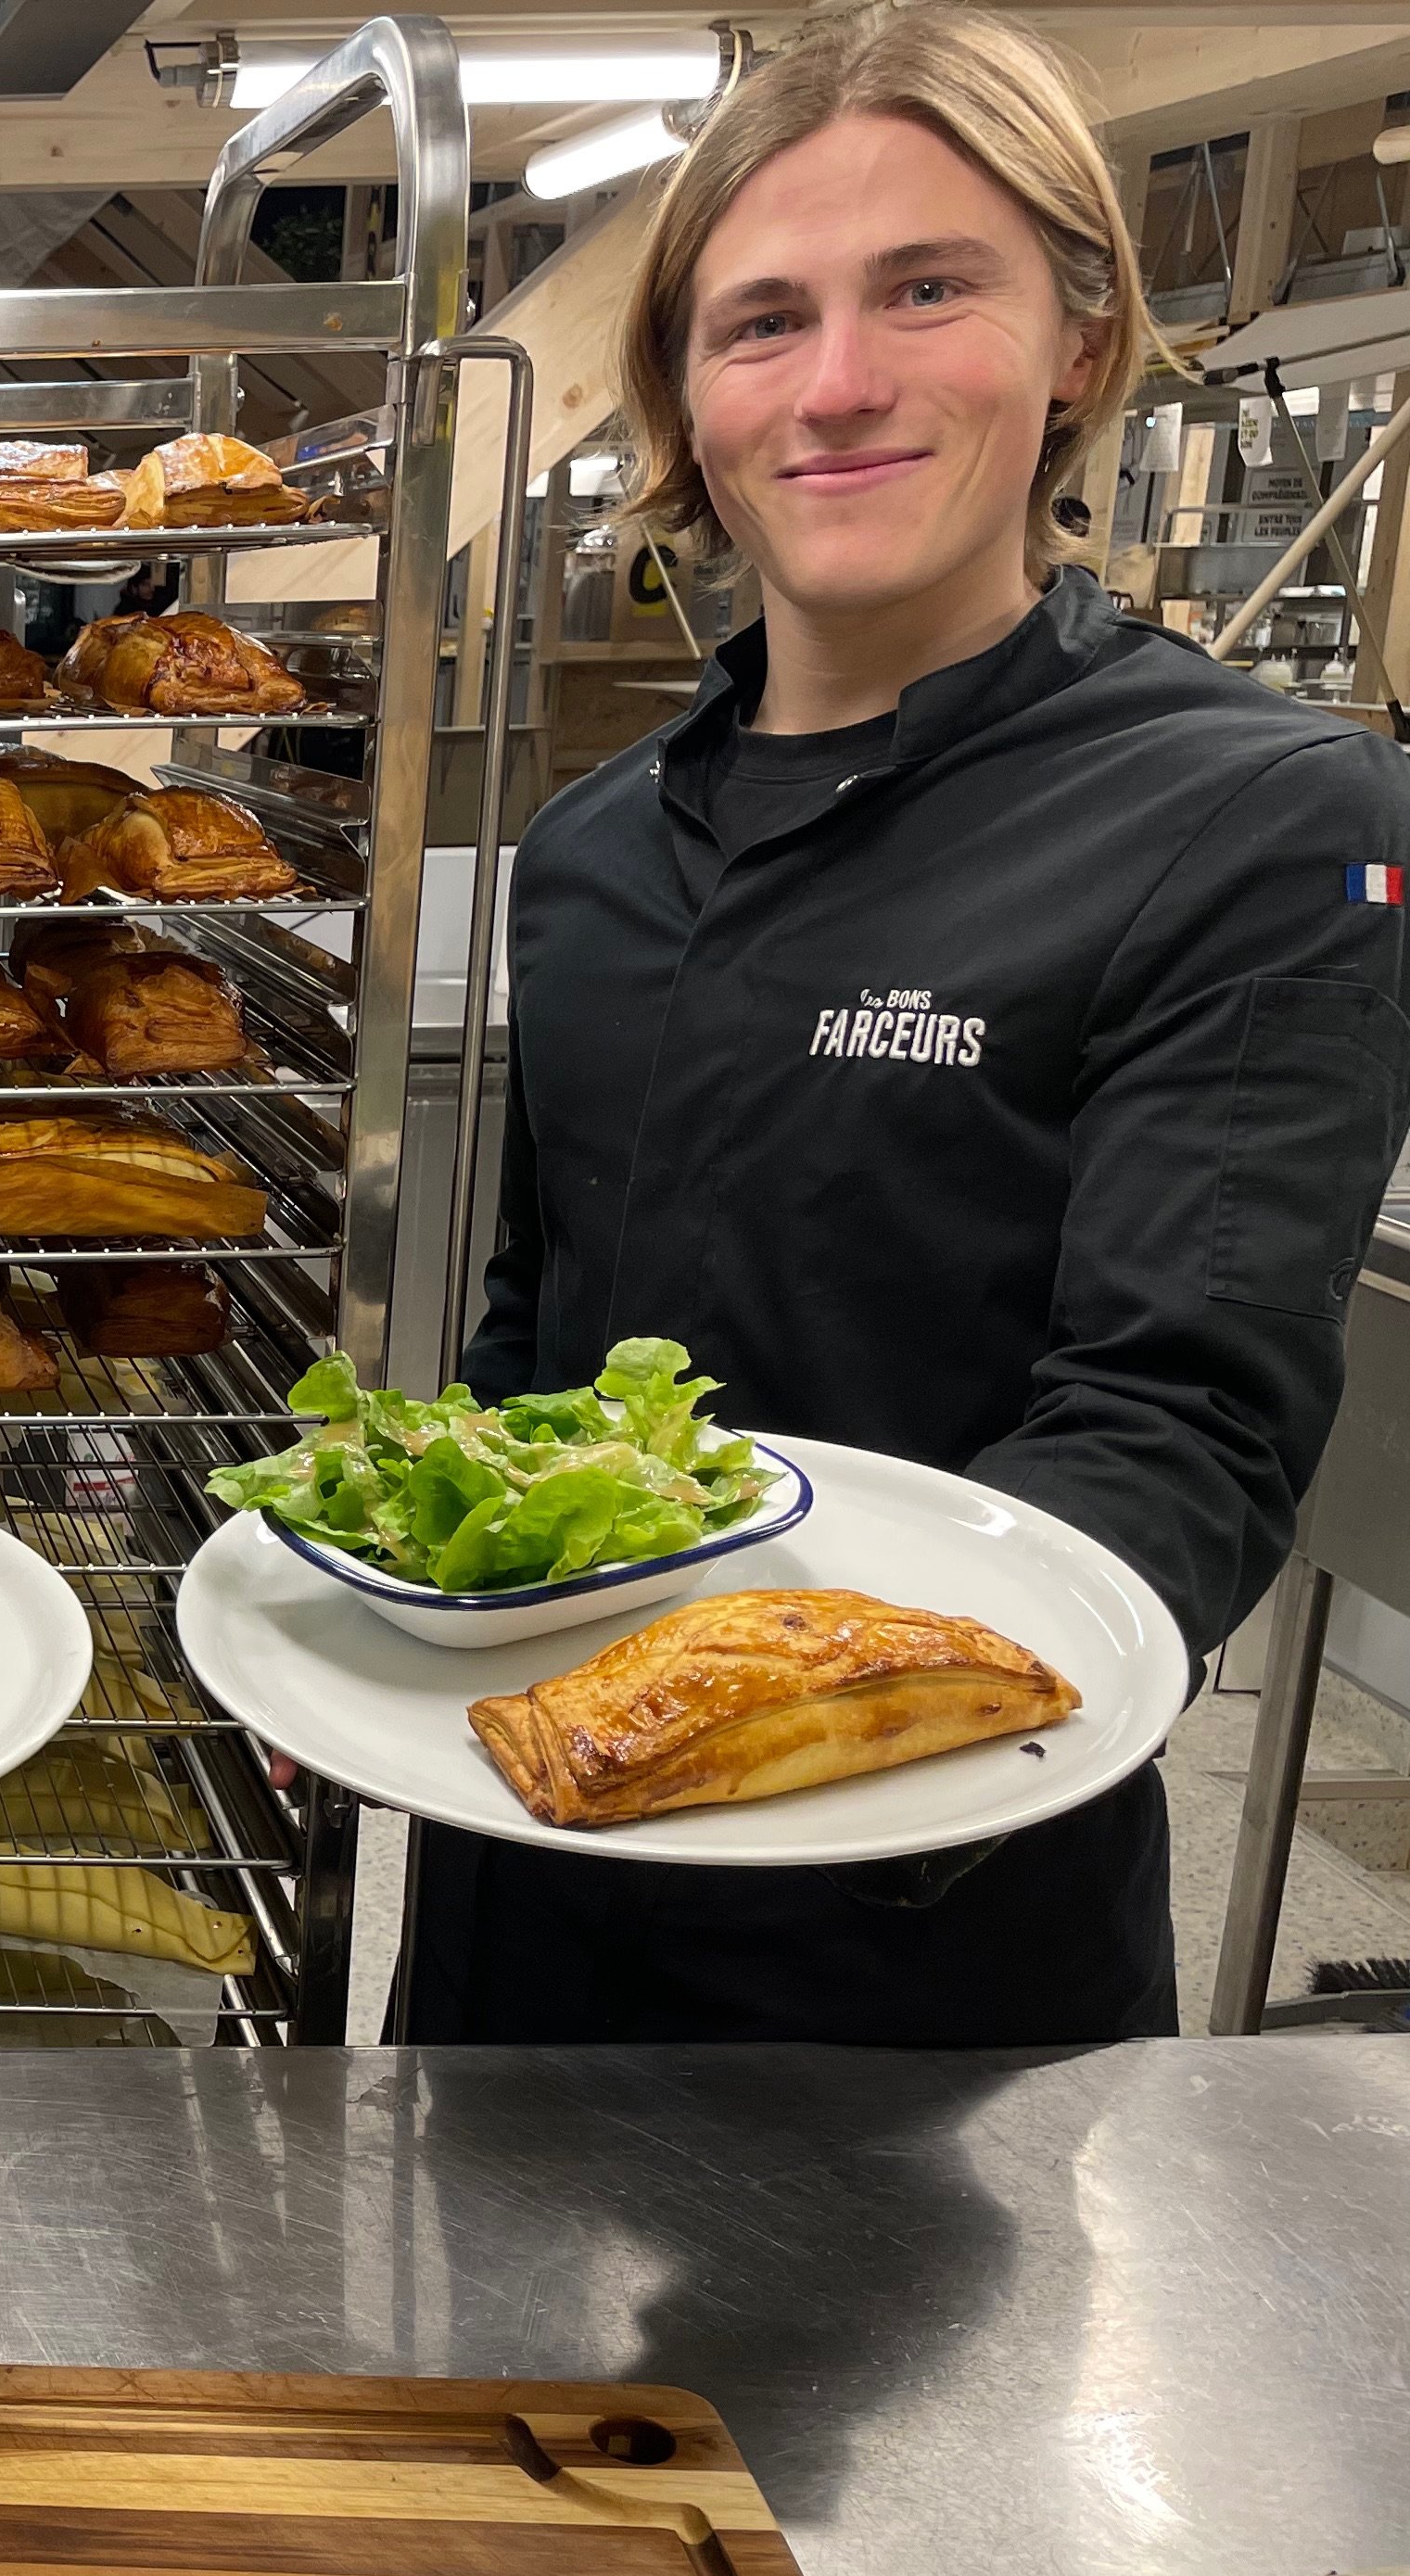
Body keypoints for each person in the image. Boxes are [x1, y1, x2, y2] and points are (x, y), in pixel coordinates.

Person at [407, 2, 1410, 2046]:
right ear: (684, 398)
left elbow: (1180, 1427)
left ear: (1081, 341)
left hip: (932, 1931)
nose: (840, 384)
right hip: (528, 1870)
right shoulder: (592, 848)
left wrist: (772, 1722)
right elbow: (537, 1337)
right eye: (763, 320)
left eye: (929, 290)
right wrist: (405, 1630)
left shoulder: (1262, 819)